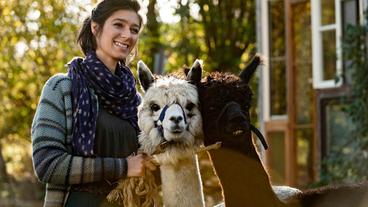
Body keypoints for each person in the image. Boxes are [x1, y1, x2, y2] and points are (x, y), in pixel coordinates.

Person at [31, 0, 156, 206]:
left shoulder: (136, 101)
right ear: (95, 28)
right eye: (118, 25)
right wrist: (123, 167)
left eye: (134, 29)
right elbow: (48, 164)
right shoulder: (62, 88)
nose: (127, 35)